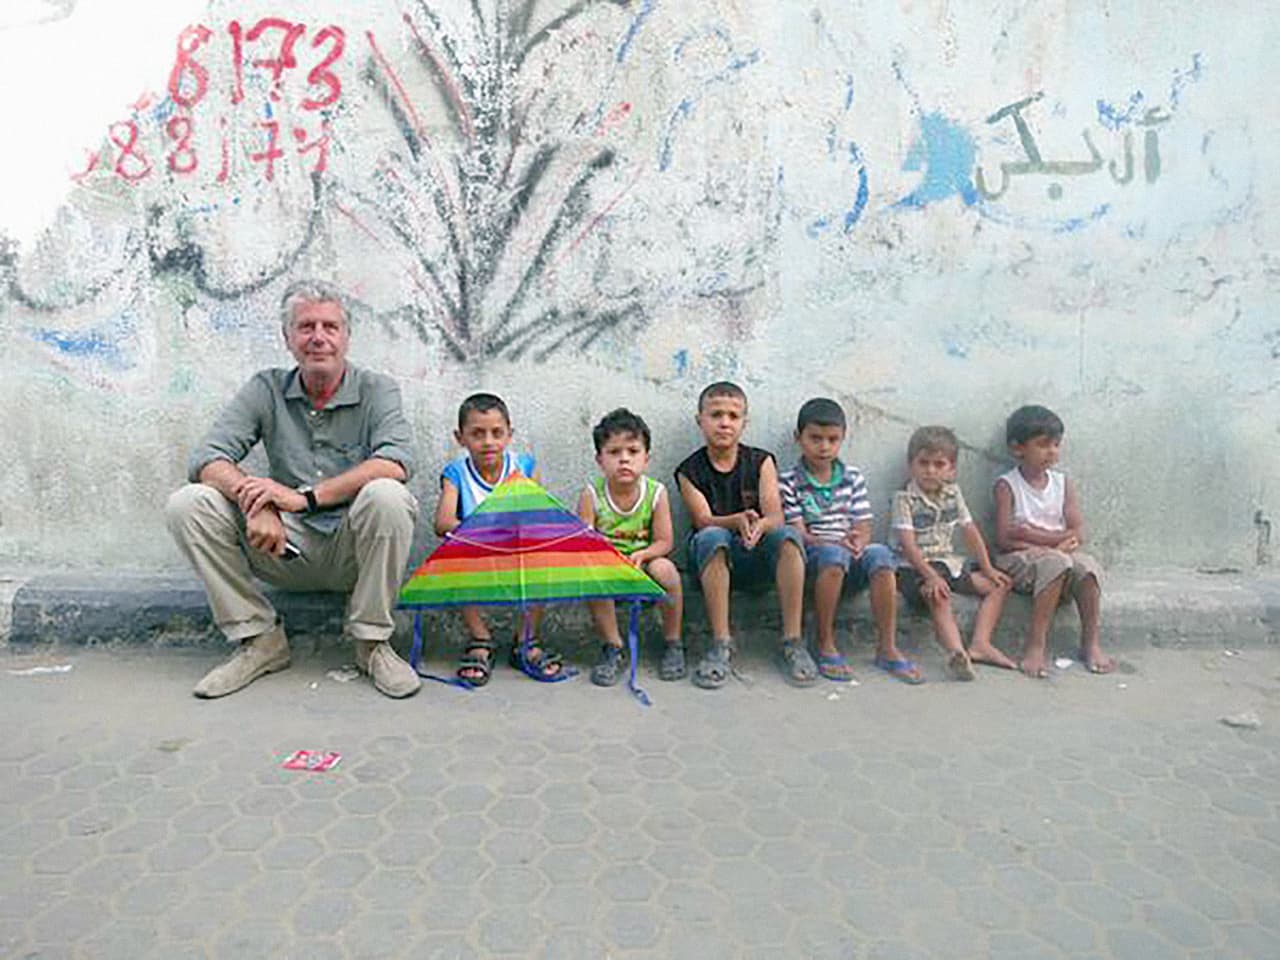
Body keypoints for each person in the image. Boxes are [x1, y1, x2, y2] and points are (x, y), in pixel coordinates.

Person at [165, 279, 420, 699]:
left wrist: (304, 499)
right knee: (188, 504)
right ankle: (260, 640)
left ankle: (372, 643)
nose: (318, 337)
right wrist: (255, 501)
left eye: (330, 327)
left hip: (351, 551)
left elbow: (395, 462)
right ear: (288, 338)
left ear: (346, 336)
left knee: (388, 495)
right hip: (280, 547)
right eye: (306, 327)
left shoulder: (378, 389)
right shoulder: (265, 388)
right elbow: (207, 458)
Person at [675, 382, 810, 688]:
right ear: (701, 420)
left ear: (744, 423)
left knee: (788, 536)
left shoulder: (761, 461)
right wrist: (736, 521)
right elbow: (702, 519)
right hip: (712, 561)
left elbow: (775, 515)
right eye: (716, 415)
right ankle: (721, 643)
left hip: (755, 554)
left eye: (733, 416)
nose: (724, 422)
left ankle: (793, 640)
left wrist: (761, 525)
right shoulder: (689, 470)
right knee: (711, 536)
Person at [779, 398, 916, 684]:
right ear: (798, 438)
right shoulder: (789, 481)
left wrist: (859, 540)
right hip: (817, 556)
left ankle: (887, 646)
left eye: (832, 439)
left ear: (843, 439)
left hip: (847, 550)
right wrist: (831, 544)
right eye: (815, 438)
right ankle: (824, 640)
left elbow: (863, 523)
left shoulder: (852, 477)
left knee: (880, 556)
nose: (824, 447)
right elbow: (797, 532)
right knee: (832, 555)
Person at [433, 392, 564, 685]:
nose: (488, 441)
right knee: (450, 550)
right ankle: (481, 639)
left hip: (517, 550)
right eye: (477, 434)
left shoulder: (525, 467)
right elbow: (442, 523)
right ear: (460, 437)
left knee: (545, 554)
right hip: (477, 551)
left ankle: (526, 639)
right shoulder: (456, 473)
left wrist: (512, 535)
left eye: (497, 433)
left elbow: (539, 516)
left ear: (509, 435)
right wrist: (487, 534)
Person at [993, 404, 1114, 678]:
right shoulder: (1007, 485)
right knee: (1056, 562)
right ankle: (1036, 646)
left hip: (1056, 554)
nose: (1052, 452)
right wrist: (1049, 544)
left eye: (1056, 445)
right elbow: (1004, 539)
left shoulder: (1062, 483)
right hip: (1019, 558)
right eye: (1043, 445)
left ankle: (1090, 643)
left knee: (1089, 568)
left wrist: (1032, 533)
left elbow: (1077, 533)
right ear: (1017, 448)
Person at [890, 425, 1015, 679]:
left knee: (999, 585)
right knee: (939, 594)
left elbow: (969, 530)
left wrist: (988, 567)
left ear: (952, 469)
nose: (930, 470)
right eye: (923, 463)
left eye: (939, 464)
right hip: (914, 567)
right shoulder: (904, 498)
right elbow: (907, 544)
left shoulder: (952, 493)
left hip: (948, 564)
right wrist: (930, 576)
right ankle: (957, 653)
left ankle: (981, 643)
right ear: (910, 464)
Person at [577, 409, 684, 686]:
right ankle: (614, 646)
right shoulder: (591, 495)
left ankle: (673, 642)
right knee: (591, 575)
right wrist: (609, 559)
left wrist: (644, 554)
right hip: (608, 564)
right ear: (600, 460)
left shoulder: (655, 493)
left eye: (633, 451)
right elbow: (584, 543)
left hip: (643, 562)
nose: (624, 459)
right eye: (614, 452)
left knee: (667, 570)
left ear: (646, 458)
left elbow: (665, 542)